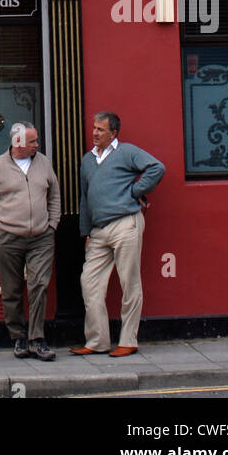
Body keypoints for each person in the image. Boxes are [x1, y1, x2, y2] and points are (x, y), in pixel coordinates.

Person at [71, 110, 165, 357]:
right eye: (93, 128)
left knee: (129, 282)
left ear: (113, 133)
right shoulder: (87, 160)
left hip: (126, 223)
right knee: (88, 282)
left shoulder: (126, 152)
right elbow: (85, 198)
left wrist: (135, 192)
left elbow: (156, 167)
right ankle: (97, 341)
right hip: (98, 230)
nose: (94, 133)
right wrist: (86, 232)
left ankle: (128, 340)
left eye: (100, 129)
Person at [0, 121, 61, 360]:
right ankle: (18, 338)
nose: (38, 144)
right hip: (8, 237)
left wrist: (52, 224)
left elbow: (54, 194)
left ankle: (37, 338)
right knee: (12, 290)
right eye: (33, 141)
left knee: (39, 285)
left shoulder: (43, 163)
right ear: (18, 143)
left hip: (41, 238)